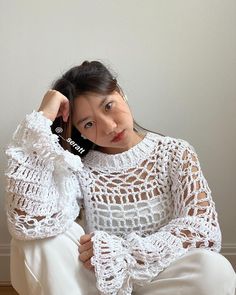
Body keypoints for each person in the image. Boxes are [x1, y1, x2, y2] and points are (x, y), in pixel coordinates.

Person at [4, 60, 236, 295]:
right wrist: (42, 118)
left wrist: (124, 253)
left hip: (163, 279)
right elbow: (27, 221)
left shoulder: (175, 152)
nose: (109, 126)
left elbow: (202, 229)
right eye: (89, 123)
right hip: (98, 283)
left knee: (214, 269)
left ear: (121, 93)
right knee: (37, 237)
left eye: (108, 106)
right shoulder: (76, 167)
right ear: (80, 131)